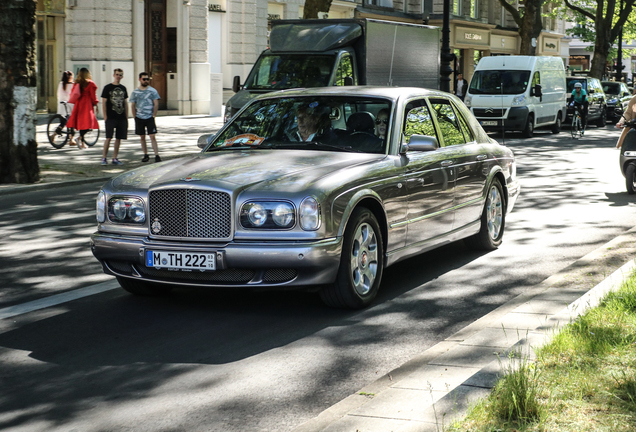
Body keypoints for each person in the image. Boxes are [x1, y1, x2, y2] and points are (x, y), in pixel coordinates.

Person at [129, 72, 161, 162]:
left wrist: (154, 115)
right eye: (144, 79)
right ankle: (145, 154)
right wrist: (135, 117)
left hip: (149, 117)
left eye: (147, 79)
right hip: (139, 117)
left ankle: (157, 155)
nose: (146, 81)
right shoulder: (135, 92)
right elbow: (132, 105)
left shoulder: (152, 91)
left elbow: (156, 103)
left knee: (152, 136)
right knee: (142, 137)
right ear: (140, 79)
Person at [100, 69, 128, 165]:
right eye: (117, 74)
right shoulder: (107, 87)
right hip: (111, 117)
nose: (118, 76)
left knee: (119, 138)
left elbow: (125, 103)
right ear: (113, 75)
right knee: (108, 137)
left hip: (121, 117)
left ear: (122, 76)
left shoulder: (123, 88)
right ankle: (104, 158)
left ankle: (114, 158)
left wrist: (126, 117)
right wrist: (105, 116)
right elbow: (104, 102)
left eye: (120, 75)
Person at [66, 68, 99, 149]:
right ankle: (79, 138)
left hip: (79, 104)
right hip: (87, 105)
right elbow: (93, 96)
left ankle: (83, 144)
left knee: (82, 124)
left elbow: (73, 93)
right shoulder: (90, 83)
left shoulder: (77, 83)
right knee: (89, 124)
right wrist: (96, 103)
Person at [55, 70, 76, 146]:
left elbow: (58, 95)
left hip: (62, 107)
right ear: (70, 77)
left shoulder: (61, 84)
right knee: (71, 123)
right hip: (69, 106)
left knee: (62, 123)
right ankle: (71, 139)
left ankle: (53, 135)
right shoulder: (72, 85)